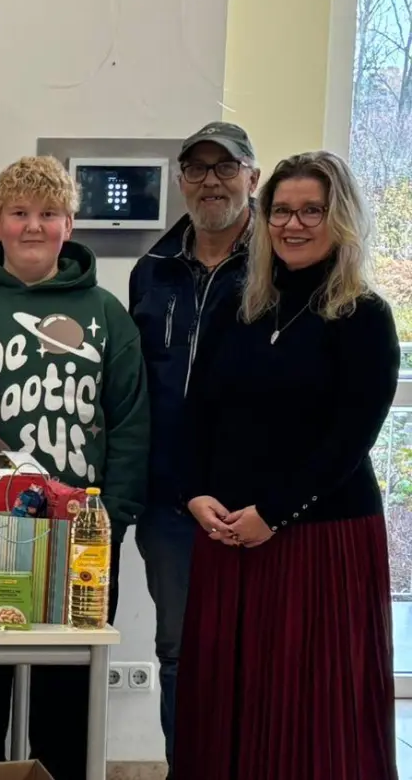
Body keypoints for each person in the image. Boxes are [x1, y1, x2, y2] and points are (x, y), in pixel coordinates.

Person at [175, 152, 398, 780]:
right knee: (225, 699)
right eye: (281, 211)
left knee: (311, 707)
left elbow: (349, 440)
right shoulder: (239, 308)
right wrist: (195, 494)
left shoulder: (364, 317)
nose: (293, 225)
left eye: (311, 211)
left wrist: (273, 513)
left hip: (319, 541)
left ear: (342, 219)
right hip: (227, 535)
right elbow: (196, 413)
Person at [0, 155, 148, 779]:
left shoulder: (106, 313)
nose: (34, 227)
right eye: (19, 214)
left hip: (79, 528)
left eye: (48, 214)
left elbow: (131, 419)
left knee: (67, 689)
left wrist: (115, 514)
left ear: (70, 223)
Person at [127, 121, 259, 775]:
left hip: (258, 505)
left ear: (252, 178)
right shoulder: (153, 270)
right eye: (198, 169)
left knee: (256, 655)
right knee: (178, 650)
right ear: (181, 181)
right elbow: (141, 390)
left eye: (226, 167)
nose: (211, 181)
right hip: (172, 502)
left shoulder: (281, 265)